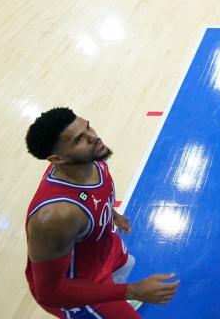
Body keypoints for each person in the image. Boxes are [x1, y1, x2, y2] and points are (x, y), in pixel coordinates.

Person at [25, 107, 180, 317]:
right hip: (76, 288)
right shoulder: (57, 216)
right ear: (58, 159)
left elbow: (97, 194)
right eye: (79, 139)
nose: (94, 138)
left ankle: (116, 295)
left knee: (127, 264)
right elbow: (49, 293)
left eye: (88, 127)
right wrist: (133, 291)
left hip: (100, 250)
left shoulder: (92, 159)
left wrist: (113, 215)